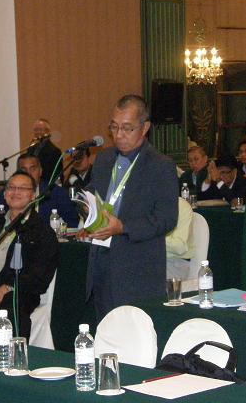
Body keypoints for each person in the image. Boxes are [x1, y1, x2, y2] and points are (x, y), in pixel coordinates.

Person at [82, 94, 178, 321]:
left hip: (137, 269)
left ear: (145, 128)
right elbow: (92, 195)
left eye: (127, 128)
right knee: (105, 332)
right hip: (101, 263)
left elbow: (166, 219)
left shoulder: (161, 166)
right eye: (114, 127)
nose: (119, 135)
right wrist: (88, 212)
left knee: (134, 335)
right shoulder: (103, 160)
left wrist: (122, 227)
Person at [0, 171, 59, 339]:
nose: (16, 192)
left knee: (12, 306)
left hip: (18, 290)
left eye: (23, 188)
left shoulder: (42, 232)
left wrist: (7, 287)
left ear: (33, 195)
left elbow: (39, 276)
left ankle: (14, 353)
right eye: (11, 187)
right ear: (4, 194)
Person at [0, 154, 79, 227]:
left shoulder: (56, 193)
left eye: (33, 169)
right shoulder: (8, 194)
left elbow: (73, 224)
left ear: (40, 171)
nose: (28, 173)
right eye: (23, 169)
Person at [165, 198, 194, 280]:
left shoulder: (180, 206)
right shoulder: (141, 205)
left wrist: (152, 239)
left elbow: (179, 247)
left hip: (174, 262)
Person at [27, 118, 62, 183]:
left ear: (47, 132)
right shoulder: (30, 148)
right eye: (35, 130)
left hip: (45, 184)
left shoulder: (54, 151)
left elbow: (56, 175)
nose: (37, 132)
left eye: (40, 130)